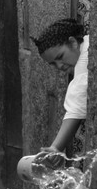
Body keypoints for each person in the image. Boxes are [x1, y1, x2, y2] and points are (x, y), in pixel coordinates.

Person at [32, 18, 89, 156]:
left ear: (73, 43)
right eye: (53, 64)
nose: (59, 66)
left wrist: (56, 147)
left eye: (61, 56)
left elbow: (76, 107)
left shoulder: (84, 59)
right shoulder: (87, 43)